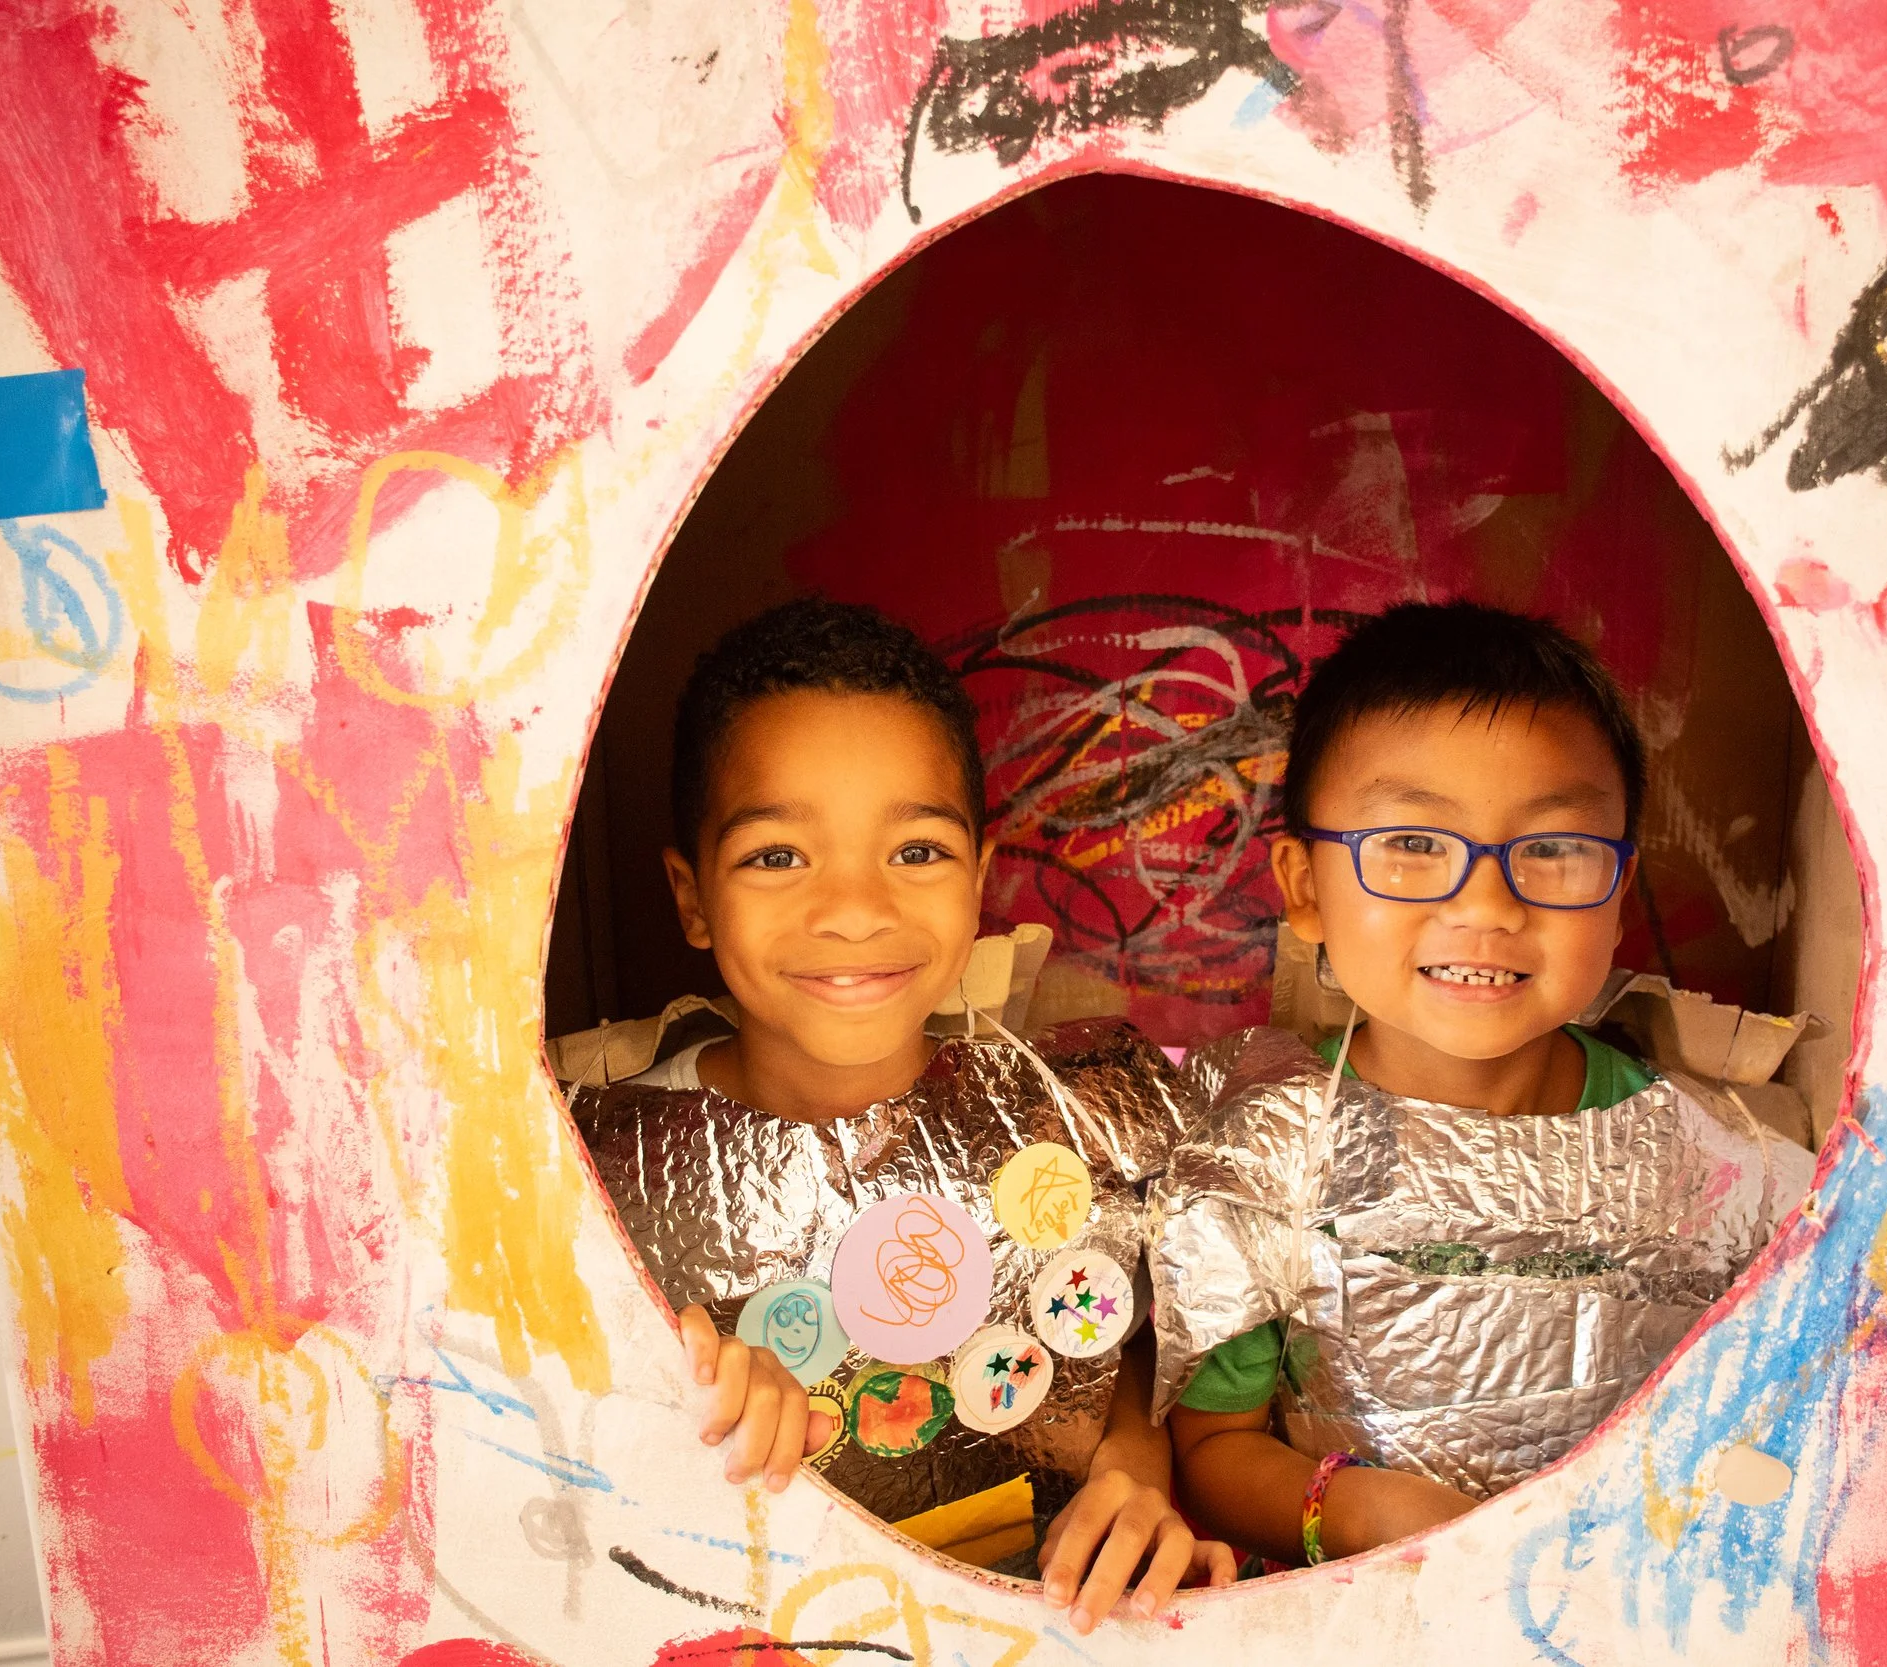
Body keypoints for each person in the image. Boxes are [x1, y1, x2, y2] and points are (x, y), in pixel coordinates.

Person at [572, 598, 1231, 1629]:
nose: (854, 907)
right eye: (777, 855)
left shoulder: (1085, 1115)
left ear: (980, 874)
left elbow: (1129, 1339)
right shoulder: (584, 1176)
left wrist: (1138, 1471)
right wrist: (675, 1411)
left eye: (916, 850)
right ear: (690, 894)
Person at [1147, 600, 1814, 1567]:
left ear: (1620, 893)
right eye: (1412, 845)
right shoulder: (1263, 1161)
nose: (1488, 905)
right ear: (1303, 888)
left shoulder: (1726, 1163)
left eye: (1552, 848)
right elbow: (1213, 1447)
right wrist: (1362, 1513)